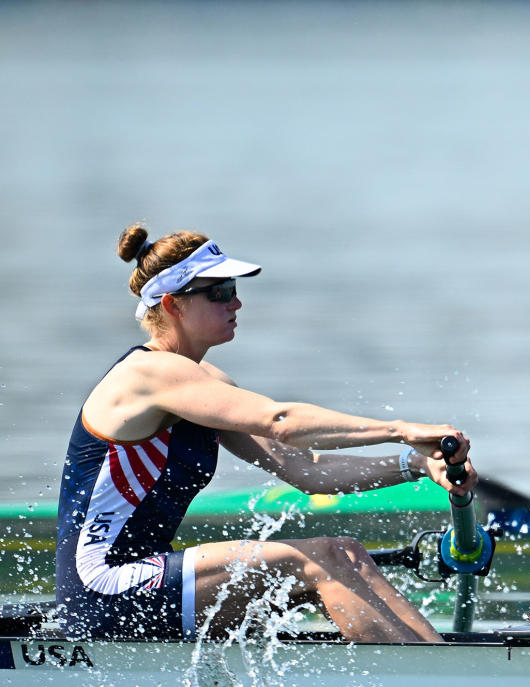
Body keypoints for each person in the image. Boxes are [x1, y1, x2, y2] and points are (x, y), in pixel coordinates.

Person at [55, 225, 478, 643]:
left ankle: (444, 669)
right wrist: (398, 430)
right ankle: (432, 686)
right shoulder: (148, 375)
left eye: (234, 288)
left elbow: (307, 471)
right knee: (326, 558)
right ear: (173, 304)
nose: (235, 302)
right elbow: (281, 421)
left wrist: (417, 464)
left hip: (146, 581)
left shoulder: (204, 383)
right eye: (218, 291)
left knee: (346, 551)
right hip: (104, 590)